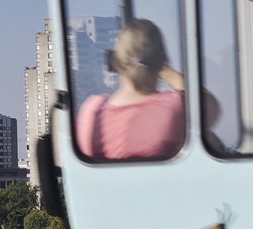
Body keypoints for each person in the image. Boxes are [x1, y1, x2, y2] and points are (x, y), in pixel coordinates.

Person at [76, 19, 216, 159]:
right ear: (161, 61)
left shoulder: (92, 110)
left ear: (114, 61)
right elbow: (211, 105)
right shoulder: (173, 107)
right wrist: (164, 69)